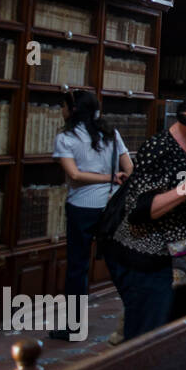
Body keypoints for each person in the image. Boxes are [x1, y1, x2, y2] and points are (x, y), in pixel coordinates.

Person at [104, 83, 186, 341]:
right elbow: (138, 210)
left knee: (180, 336)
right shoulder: (159, 148)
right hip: (152, 262)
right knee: (148, 339)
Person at [50, 90, 133, 341]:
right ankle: (134, 315)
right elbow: (129, 168)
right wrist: (113, 181)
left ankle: (74, 326)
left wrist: (105, 177)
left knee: (78, 266)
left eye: (63, 106)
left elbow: (74, 175)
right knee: (118, 264)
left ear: (72, 110)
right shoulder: (112, 134)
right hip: (111, 206)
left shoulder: (65, 138)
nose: (61, 111)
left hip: (82, 207)